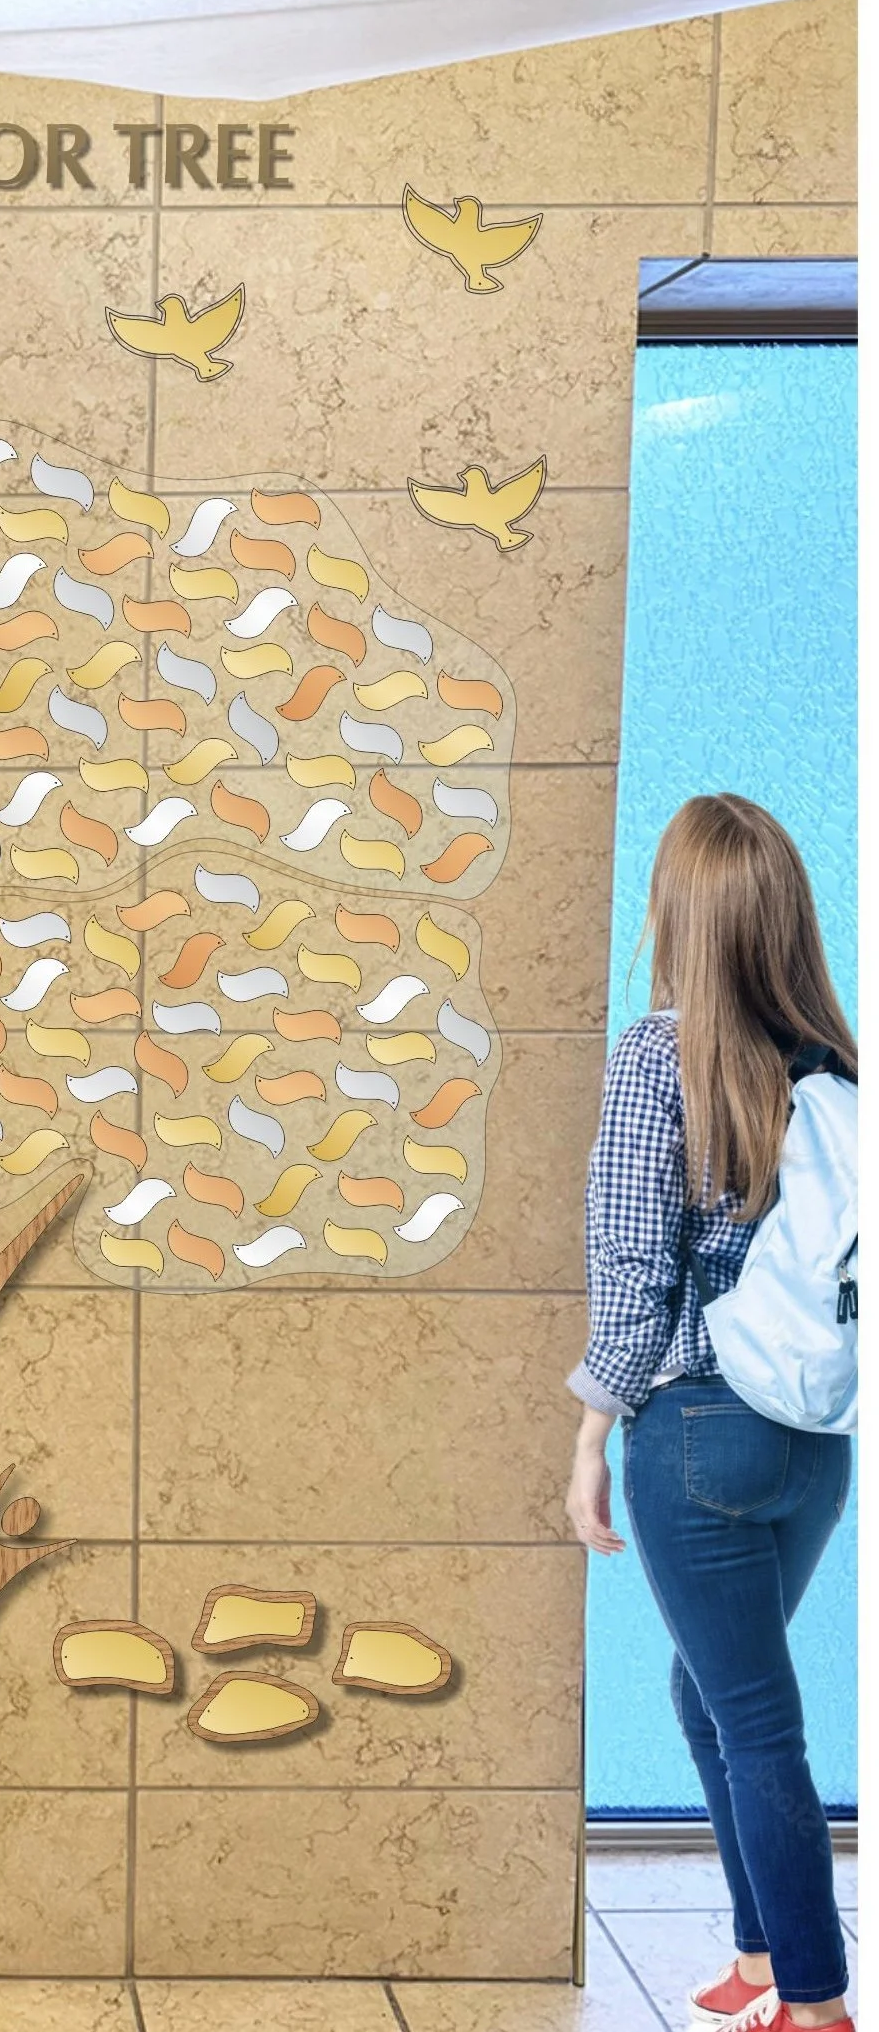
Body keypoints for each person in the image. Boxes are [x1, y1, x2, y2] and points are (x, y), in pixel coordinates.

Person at [566, 795, 856, 2031]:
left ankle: (814, 2003)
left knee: (753, 1723)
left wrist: (592, 1430)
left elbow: (634, 1271)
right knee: (710, 1697)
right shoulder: (835, 1069)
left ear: (674, 916)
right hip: (814, 1444)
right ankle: (757, 1955)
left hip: (696, 1432)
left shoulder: (658, 1059)